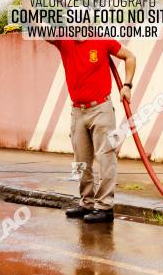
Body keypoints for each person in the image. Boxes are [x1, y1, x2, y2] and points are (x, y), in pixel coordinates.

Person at [48, 37, 136, 223]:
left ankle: (105, 207)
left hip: (101, 109)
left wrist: (127, 86)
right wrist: (29, 7)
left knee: (106, 157)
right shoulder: (64, 42)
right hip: (77, 110)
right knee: (80, 159)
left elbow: (130, 56)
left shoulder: (103, 41)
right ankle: (86, 202)